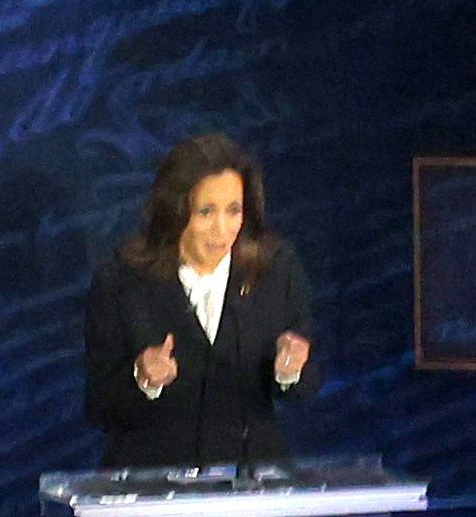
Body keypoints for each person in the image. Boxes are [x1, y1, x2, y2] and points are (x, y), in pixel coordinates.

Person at [79, 131, 315, 470]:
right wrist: (143, 380)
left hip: (253, 481)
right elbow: (99, 407)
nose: (222, 228)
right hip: (152, 481)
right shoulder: (122, 281)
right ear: (175, 212)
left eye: (233, 210)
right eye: (206, 212)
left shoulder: (276, 271)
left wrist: (291, 372)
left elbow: (308, 385)